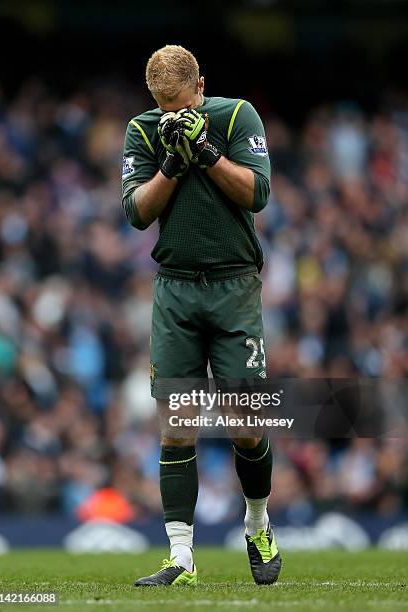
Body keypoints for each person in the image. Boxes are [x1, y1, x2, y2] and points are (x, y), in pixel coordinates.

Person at [121, 44, 281, 587]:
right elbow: (136, 212)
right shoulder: (142, 131)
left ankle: (257, 524)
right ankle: (181, 558)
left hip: (234, 288)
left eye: (178, 103)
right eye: (161, 105)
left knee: (246, 426)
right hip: (176, 293)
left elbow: (258, 193)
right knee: (177, 430)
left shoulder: (236, 116)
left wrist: (206, 151)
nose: (170, 114)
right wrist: (169, 162)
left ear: (201, 85)